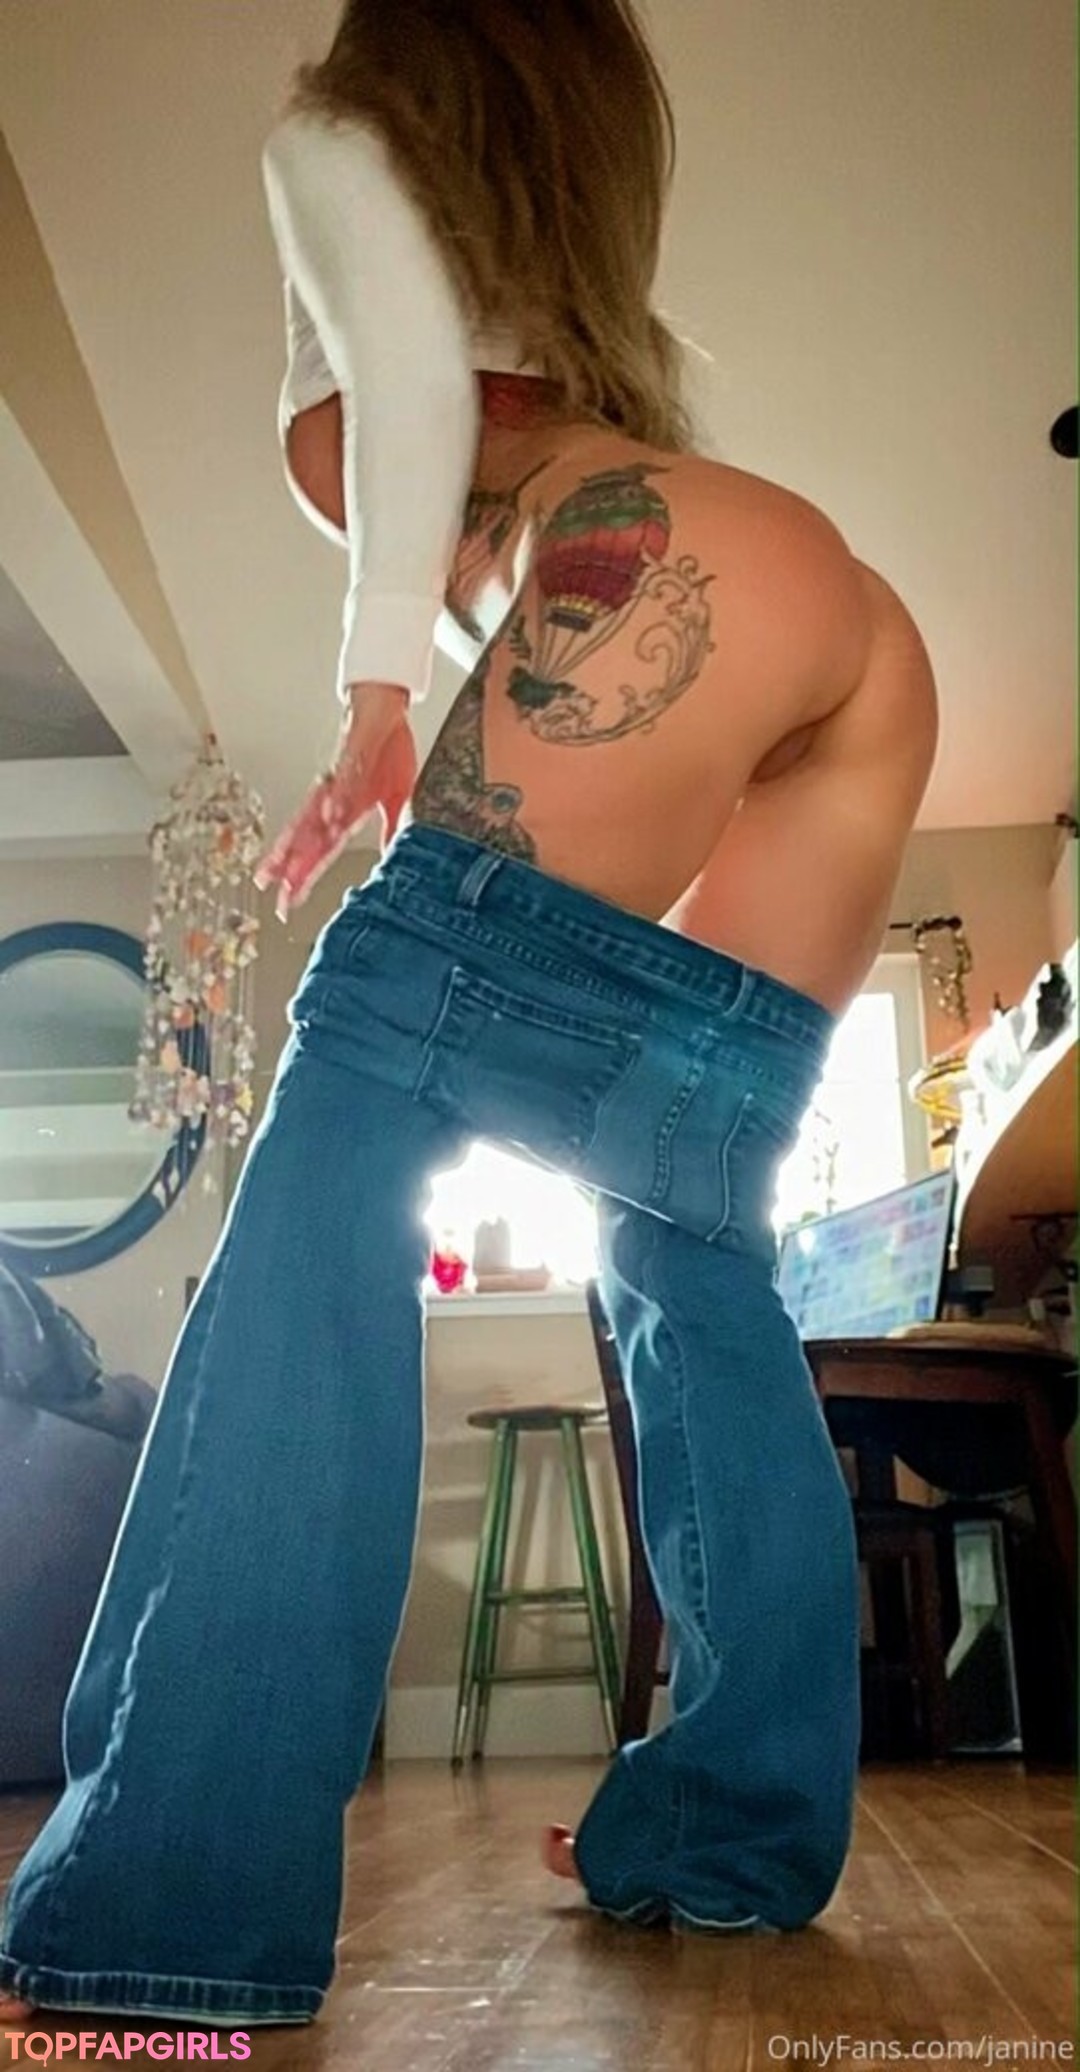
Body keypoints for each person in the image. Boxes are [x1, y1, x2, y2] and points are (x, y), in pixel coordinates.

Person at [0, 0, 938, 2030]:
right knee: (693, 1255)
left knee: (337, 1152)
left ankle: (171, 1899)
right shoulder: (594, 350)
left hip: (640, 561)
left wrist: (372, 697)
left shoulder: (330, 137)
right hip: (838, 616)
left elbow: (411, 373)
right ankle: (730, 1833)